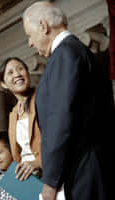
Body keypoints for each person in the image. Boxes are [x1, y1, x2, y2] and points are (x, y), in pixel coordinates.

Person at [22, 1, 113, 200]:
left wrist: (50, 182)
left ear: (43, 27)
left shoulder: (65, 54)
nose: (30, 43)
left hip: (82, 172)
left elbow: (60, 120)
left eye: (29, 35)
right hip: (88, 169)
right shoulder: (75, 51)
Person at [0, 57, 42, 182]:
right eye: (10, 72)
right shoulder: (13, 115)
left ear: (28, 73)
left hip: (50, 173)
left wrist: (38, 162)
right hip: (28, 180)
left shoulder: (43, 99)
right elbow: (17, 154)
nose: (17, 74)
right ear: (3, 84)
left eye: (21, 69)